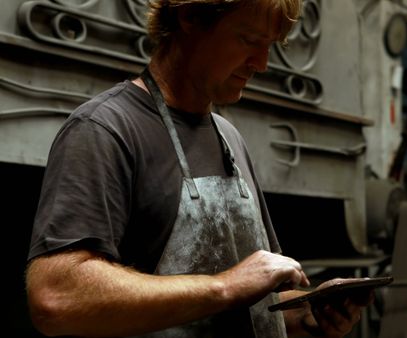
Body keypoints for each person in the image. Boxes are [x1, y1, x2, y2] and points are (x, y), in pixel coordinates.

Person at [24, 0, 373, 337]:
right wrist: (225, 286)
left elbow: (247, 307)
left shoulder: (229, 138)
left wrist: (306, 314)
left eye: (270, 46)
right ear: (190, 16)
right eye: (249, 40)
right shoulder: (104, 130)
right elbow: (57, 296)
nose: (262, 63)